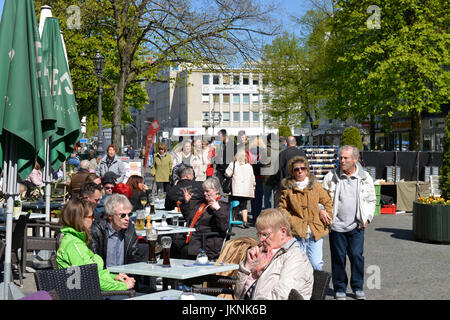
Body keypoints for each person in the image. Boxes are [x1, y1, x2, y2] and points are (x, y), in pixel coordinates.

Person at [322, 145, 376, 300]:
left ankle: (358, 287)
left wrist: (368, 218)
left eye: (345, 158)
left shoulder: (365, 177)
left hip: (357, 225)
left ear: (355, 159)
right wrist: (321, 210)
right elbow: (320, 198)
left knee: (356, 256)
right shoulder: (331, 176)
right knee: (338, 257)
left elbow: (372, 200)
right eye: (340, 157)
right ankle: (340, 288)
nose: (342, 160)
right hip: (336, 226)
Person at [56, 198, 136, 292]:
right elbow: (91, 279)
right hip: (86, 294)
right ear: (80, 219)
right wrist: (122, 286)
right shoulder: (74, 245)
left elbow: (96, 273)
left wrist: (114, 277)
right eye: (91, 216)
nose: (93, 219)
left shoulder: (76, 240)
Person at [234, 208, 314, 300]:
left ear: (283, 232)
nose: (261, 239)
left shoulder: (296, 258)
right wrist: (246, 267)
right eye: (259, 234)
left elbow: (282, 296)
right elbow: (238, 295)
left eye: (265, 235)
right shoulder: (264, 255)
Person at [278, 156, 333, 270]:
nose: (300, 171)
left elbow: (327, 202)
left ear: (307, 170)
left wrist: (326, 215)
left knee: (316, 264)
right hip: (297, 231)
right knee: (298, 265)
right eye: (296, 169)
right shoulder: (287, 189)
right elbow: (281, 208)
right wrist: (292, 221)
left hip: (315, 230)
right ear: (292, 172)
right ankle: (299, 288)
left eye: (302, 168)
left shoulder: (316, 186)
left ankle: (317, 287)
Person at [173, 177, 229, 260]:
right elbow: (188, 218)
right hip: (194, 238)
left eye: (208, 191)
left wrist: (218, 210)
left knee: (181, 250)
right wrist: (187, 203)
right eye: (204, 191)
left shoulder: (222, 205)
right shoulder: (203, 203)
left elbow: (224, 227)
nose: (205, 193)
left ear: (216, 190)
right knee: (171, 243)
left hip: (206, 241)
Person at [89, 194, 145, 268]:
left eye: (129, 214)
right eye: (122, 215)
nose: (127, 218)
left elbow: (134, 257)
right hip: (104, 276)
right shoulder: (97, 230)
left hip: (125, 275)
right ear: (110, 215)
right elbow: (93, 261)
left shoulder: (129, 228)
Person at [225, 150, 255, 228]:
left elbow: (227, 174)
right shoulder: (249, 166)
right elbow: (253, 178)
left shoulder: (233, 164)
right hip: (245, 191)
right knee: (244, 206)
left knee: (235, 205)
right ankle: (245, 221)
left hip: (235, 189)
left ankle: (234, 220)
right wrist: (253, 186)